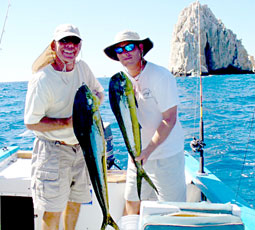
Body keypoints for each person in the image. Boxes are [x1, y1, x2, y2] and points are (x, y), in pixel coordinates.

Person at [24, 24, 104, 229]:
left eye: (75, 41)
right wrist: (66, 122)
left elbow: (98, 93)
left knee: (75, 202)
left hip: (82, 149)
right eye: (64, 41)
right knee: (52, 211)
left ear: (80, 45)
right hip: (54, 151)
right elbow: (31, 122)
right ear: (54, 45)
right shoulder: (42, 79)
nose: (70, 46)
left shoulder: (83, 68)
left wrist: (92, 104)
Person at [104, 30, 186, 215]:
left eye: (130, 47)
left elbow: (170, 118)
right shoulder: (122, 82)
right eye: (120, 49)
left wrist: (148, 150)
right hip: (137, 156)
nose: (125, 52)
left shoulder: (160, 76)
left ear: (141, 48)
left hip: (165, 155)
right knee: (132, 202)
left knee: (172, 210)